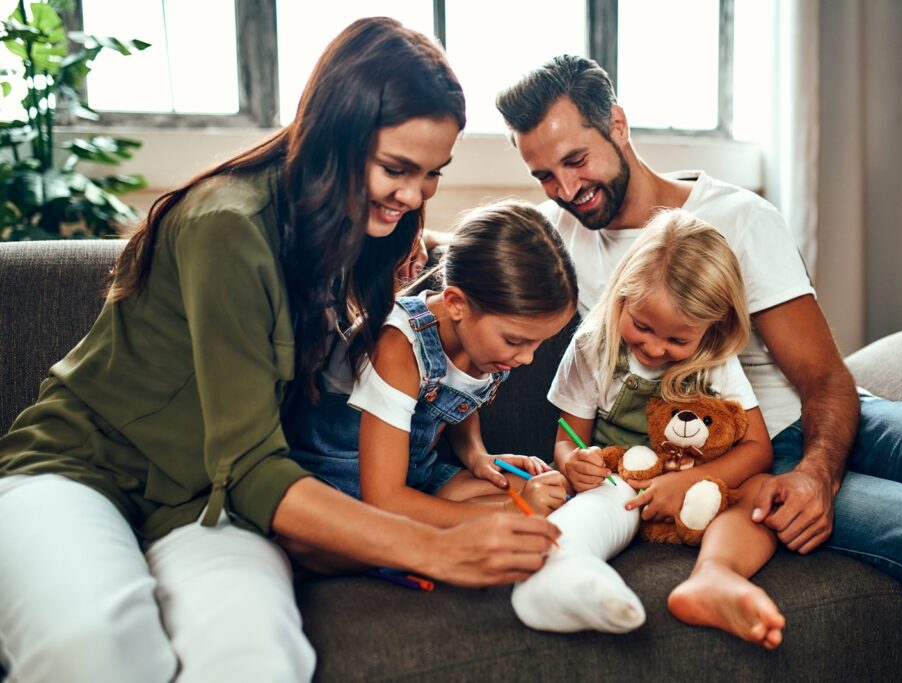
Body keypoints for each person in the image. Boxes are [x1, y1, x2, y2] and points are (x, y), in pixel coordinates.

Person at [0, 19, 562, 682]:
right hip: (78, 470)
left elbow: (478, 277)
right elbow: (254, 466)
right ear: (336, 135)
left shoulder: (372, 226)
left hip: (208, 506)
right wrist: (436, 546)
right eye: (396, 169)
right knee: (94, 644)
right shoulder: (227, 226)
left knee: (257, 658)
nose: (414, 195)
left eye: (433, 174)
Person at [497, 54, 902, 680]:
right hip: (741, 456)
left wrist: (818, 475)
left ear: (617, 124)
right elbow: (472, 296)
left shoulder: (739, 218)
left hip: (828, 418)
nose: (564, 189)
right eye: (544, 176)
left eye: (576, 161)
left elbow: (825, 377)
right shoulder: (560, 244)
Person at [510, 210, 783, 648]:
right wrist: (572, 461)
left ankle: (714, 576)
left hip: (702, 490)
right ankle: (564, 573)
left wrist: (690, 481)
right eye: (641, 327)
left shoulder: (714, 359)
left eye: (677, 341)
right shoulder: (593, 345)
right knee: (597, 505)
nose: (655, 348)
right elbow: (567, 438)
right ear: (621, 296)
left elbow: (757, 449)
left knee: (762, 491)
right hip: (624, 487)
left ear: (712, 329)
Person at [287, 199, 574, 531]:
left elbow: (456, 401)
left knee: (549, 491)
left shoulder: (484, 345)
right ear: (456, 304)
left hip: (418, 476)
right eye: (515, 341)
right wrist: (511, 511)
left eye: (538, 343)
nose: (527, 358)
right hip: (346, 486)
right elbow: (384, 500)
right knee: (523, 507)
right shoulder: (396, 345)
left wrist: (477, 455)